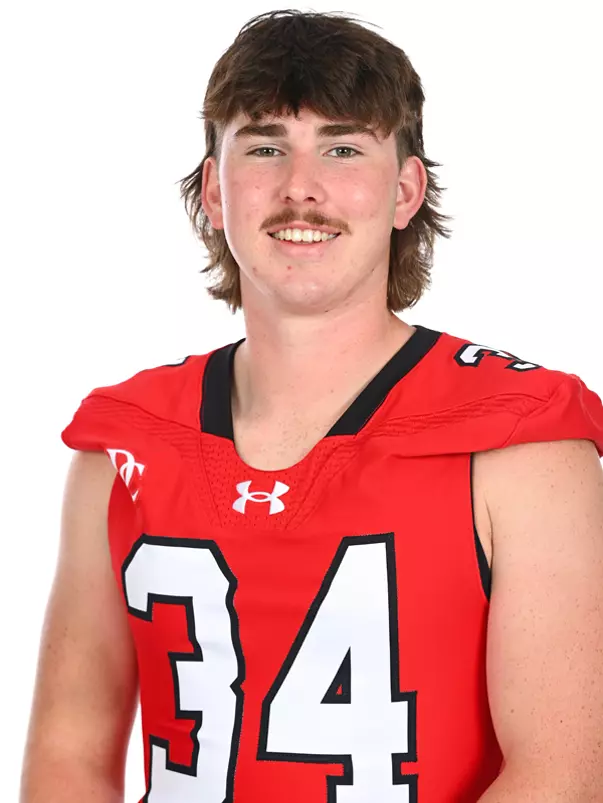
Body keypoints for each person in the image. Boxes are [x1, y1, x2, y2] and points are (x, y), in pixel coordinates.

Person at [20, 10, 603, 802]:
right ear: (213, 192)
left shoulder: (521, 435)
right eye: (264, 147)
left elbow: (561, 775)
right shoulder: (123, 442)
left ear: (404, 190)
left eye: (341, 147)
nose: (301, 187)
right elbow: (68, 757)